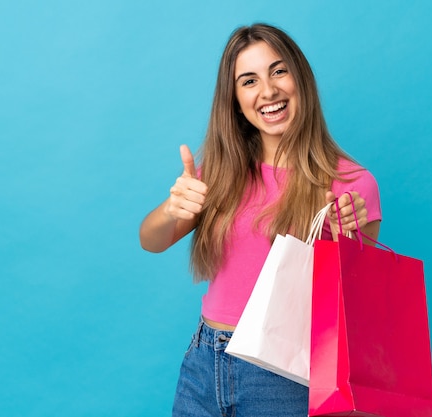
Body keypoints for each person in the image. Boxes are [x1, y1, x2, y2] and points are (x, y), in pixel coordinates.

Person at [139, 23, 382, 417]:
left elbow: (354, 309)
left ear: (301, 78)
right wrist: (172, 209)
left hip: (282, 373)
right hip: (204, 361)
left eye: (279, 71)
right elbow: (150, 240)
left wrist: (343, 246)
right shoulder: (219, 172)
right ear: (235, 100)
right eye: (248, 81)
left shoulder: (350, 184)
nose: (267, 91)